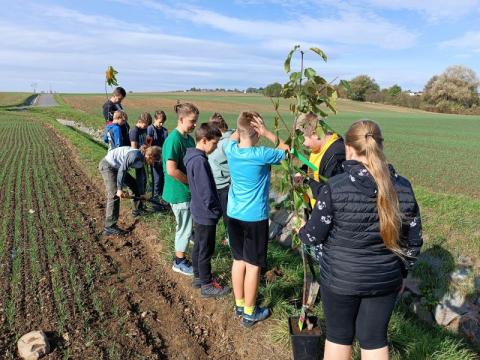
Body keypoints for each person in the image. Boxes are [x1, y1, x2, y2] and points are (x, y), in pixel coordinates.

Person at [298, 120, 423, 360]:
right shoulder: (403, 187)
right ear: (380, 146)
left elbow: (313, 236)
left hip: (340, 279)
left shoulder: (335, 187)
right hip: (386, 278)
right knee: (375, 340)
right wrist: (402, 273)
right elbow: (414, 241)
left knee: (338, 337)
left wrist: (302, 230)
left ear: (349, 149)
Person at [224, 111, 289, 327]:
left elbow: (234, 136)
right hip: (254, 218)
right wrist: (267, 132)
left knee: (238, 261)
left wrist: (241, 126)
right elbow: (289, 151)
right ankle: (250, 313)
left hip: (233, 214)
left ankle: (240, 304)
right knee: (253, 266)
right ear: (256, 132)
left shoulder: (230, 149)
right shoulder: (261, 154)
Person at [184, 123, 230, 298]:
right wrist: (215, 209)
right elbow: (206, 191)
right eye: (214, 143)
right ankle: (207, 284)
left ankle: (198, 276)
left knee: (199, 246)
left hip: (198, 209)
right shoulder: (200, 161)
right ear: (204, 140)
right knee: (206, 249)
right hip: (205, 213)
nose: (216, 146)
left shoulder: (191, 157)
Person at [162, 102, 198, 276]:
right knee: (183, 226)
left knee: (187, 224)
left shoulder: (189, 139)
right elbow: (171, 170)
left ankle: (187, 242)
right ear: (182, 119)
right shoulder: (174, 140)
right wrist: (190, 183)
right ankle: (179, 261)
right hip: (179, 191)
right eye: (192, 121)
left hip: (187, 191)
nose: (195, 125)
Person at [99, 145, 162, 236]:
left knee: (133, 184)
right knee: (114, 194)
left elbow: (140, 178)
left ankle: (137, 210)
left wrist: (141, 193)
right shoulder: (135, 155)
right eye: (154, 161)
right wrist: (119, 189)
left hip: (117, 168)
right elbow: (123, 170)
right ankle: (109, 227)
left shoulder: (142, 160)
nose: (154, 164)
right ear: (150, 156)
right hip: (108, 166)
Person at [295, 112, 345, 204]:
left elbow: (331, 194)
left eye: (303, 139)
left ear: (315, 134)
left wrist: (305, 182)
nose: (302, 144)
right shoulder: (319, 148)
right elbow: (314, 167)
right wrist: (303, 171)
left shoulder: (336, 155)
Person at [207, 113, 234, 244]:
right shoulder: (219, 139)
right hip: (215, 182)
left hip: (225, 184)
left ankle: (231, 238)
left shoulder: (228, 142)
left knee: (227, 214)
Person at [147, 110, 169, 206]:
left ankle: (163, 199)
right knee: (157, 179)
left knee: (164, 178)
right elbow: (148, 144)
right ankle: (155, 200)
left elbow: (166, 145)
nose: (161, 124)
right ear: (155, 119)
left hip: (163, 158)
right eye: (160, 122)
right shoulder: (150, 129)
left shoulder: (165, 131)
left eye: (163, 122)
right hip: (154, 159)